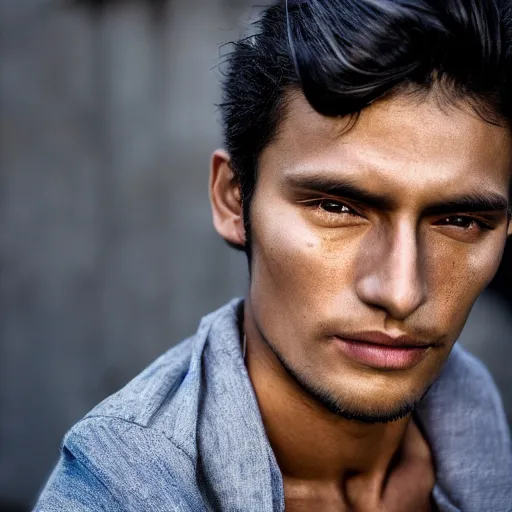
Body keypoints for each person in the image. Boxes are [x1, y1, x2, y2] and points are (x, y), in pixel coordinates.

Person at [35, 0, 512, 510]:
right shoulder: (116, 488)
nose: (400, 292)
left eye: (460, 220)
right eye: (336, 207)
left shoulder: (474, 411)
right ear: (233, 199)